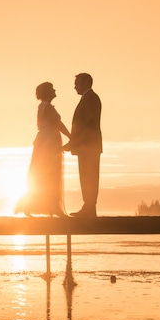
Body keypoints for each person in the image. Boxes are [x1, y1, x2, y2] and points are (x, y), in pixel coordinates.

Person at [15, 81, 71, 217]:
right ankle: (49, 206)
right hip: (48, 141)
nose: (55, 90)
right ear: (47, 92)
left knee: (46, 172)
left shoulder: (44, 107)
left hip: (47, 140)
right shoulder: (46, 107)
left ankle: (43, 205)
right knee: (49, 172)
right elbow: (58, 123)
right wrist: (71, 136)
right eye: (52, 89)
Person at [63, 72, 102, 217]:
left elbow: (86, 125)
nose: (75, 87)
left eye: (77, 84)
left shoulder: (91, 98)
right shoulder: (88, 98)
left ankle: (90, 207)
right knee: (85, 176)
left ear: (86, 83)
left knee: (89, 176)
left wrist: (73, 142)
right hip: (85, 145)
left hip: (89, 146)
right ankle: (88, 206)